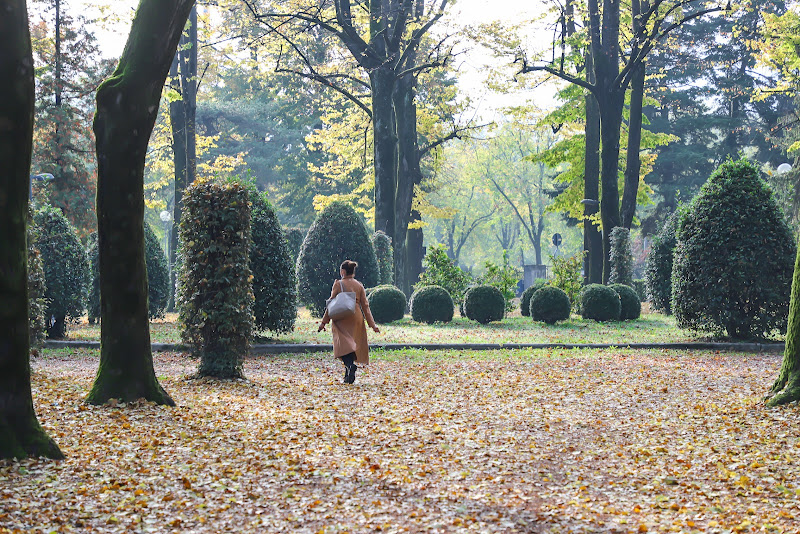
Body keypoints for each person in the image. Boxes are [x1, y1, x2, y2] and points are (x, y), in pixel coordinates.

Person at [318, 260, 380, 384]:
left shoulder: (338, 284)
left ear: (343, 271)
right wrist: (372, 324)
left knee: (343, 345)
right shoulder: (359, 285)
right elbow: (366, 306)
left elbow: (331, 303)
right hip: (356, 316)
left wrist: (324, 322)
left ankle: (350, 366)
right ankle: (348, 375)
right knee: (351, 345)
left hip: (341, 317)